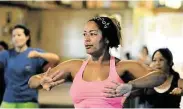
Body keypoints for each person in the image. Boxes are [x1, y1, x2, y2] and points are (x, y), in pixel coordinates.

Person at [28, 17, 166, 108]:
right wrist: (41, 81)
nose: (86, 39)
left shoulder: (122, 67)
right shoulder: (74, 66)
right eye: (84, 34)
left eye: (92, 34)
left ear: (106, 39)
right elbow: (32, 81)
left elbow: (160, 76)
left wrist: (131, 85)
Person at [0, 25, 60, 108]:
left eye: (19, 35)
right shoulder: (6, 54)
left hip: (29, 101)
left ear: (27, 37)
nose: (16, 38)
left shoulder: (35, 52)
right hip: (8, 100)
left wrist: (39, 54)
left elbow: (56, 59)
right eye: (13, 36)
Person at [106, 48, 182, 108]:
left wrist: (181, 92)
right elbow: (131, 94)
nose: (157, 63)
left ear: (170, 62)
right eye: (154, 60)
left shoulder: (178, 82)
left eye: (161, 60)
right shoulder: (147, 82)